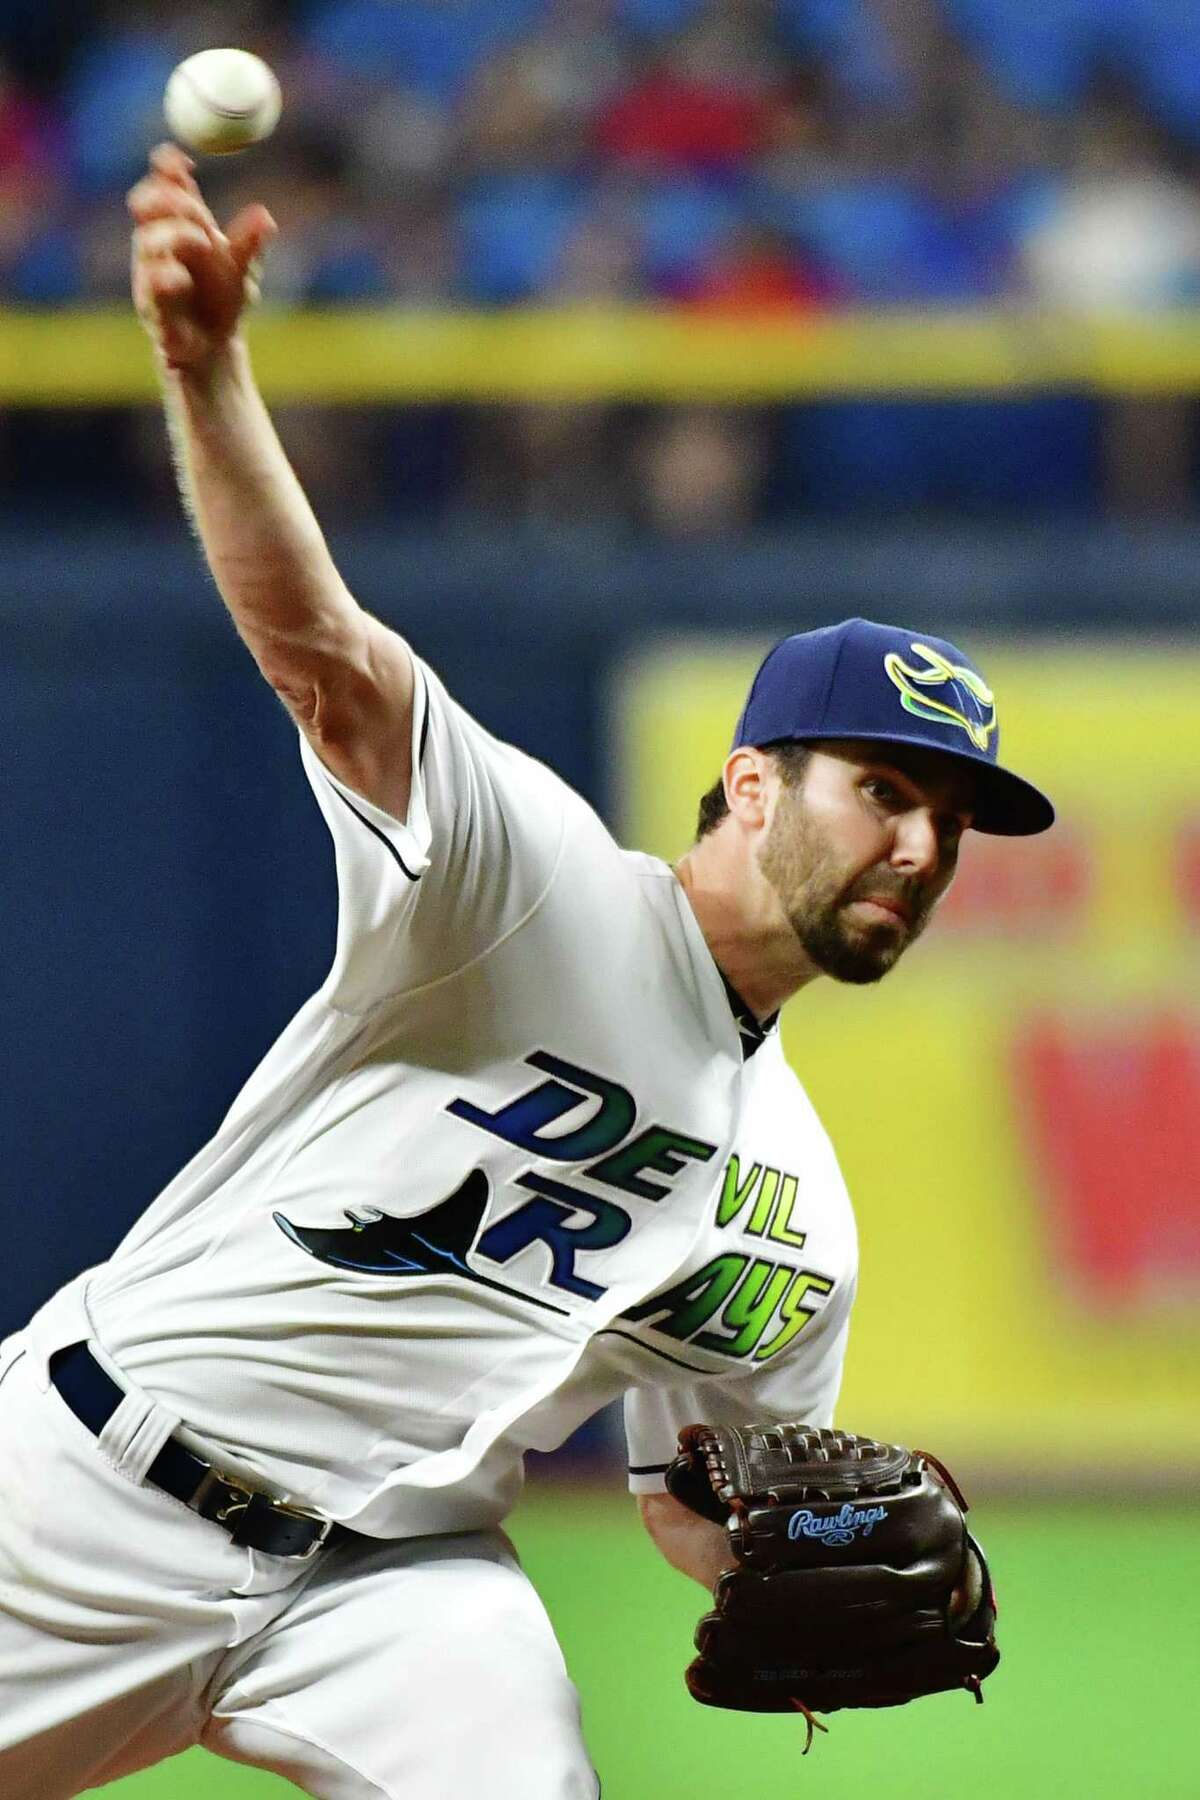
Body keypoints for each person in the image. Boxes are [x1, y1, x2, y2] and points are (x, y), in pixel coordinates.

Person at [0, 144, 1054, 1800]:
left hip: (392, 1586)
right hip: (86, 1484)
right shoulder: (537, 885)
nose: (920, 847)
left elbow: (693, 1498)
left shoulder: (797, 1218)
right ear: (757, 783)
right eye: (887, 792)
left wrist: (810, 1567)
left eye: (952, 822)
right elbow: (328, 659)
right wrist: (205, 376)